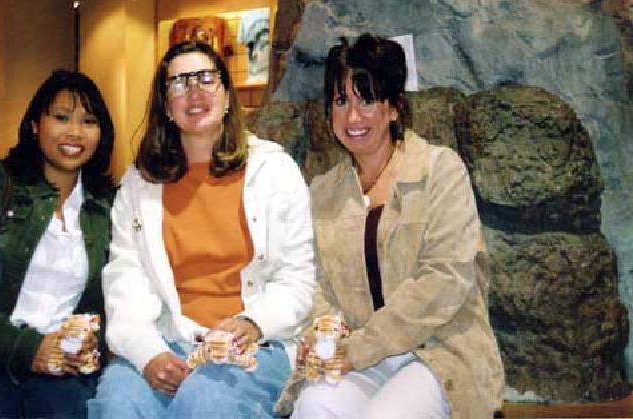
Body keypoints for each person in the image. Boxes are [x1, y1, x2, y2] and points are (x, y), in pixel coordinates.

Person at [276, 33, 504, 418]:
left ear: (395, 107)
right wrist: (324, 331)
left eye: (367, 99)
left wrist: (362, 347)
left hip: (438, 350)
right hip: (359, 356)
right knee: (314, 407)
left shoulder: (440, 170)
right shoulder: (321, 192)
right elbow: (313, 281)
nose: (352, 117)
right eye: (341, 100)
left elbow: (444, 278)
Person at [87, 41, 315, 418]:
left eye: (206, 79)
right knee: (118, 405)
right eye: (178, 83)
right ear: (165, 105)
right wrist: (148, 353)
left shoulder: (275, 171)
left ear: (227, 95)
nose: (194, 92)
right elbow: (124, 281)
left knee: (205, 401)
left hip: (254, 346)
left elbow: (297, 280)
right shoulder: (139, 184)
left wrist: (253, 322)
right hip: (165, 340)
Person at [0, 70, 116, 419]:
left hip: (64, 362)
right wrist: (27, 348)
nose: (74, 132)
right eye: (61, 117)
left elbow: (116, 293)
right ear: (34, 125)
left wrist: (91, 343)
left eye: (88, 121)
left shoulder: (106, 206)